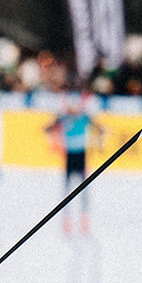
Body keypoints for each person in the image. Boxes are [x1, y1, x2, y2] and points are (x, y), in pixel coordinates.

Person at [45, 96, 105, 235]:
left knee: (83, 189)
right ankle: (66, 218)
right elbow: (47, 129)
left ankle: (84, 218)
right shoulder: (64, 118)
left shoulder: (84, 117)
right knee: (67, 188)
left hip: (81, 154)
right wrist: (57, 120)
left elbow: (99, 127)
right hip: (70, 155)